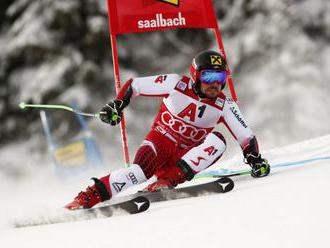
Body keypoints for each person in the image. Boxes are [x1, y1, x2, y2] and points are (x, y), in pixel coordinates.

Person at [65, 50, 270, 210]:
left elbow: (246, 136)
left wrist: (255, 160)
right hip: (159, 143)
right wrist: (116, 105)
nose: (214, 84)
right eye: (208, 77)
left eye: (220, 77)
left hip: (184, 157)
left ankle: (167, 181)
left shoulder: (225, 104)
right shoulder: (175, 84)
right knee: (138, 173)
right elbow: (134, 85)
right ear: (196, 76)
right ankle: (88, 197)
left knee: (217, 141)